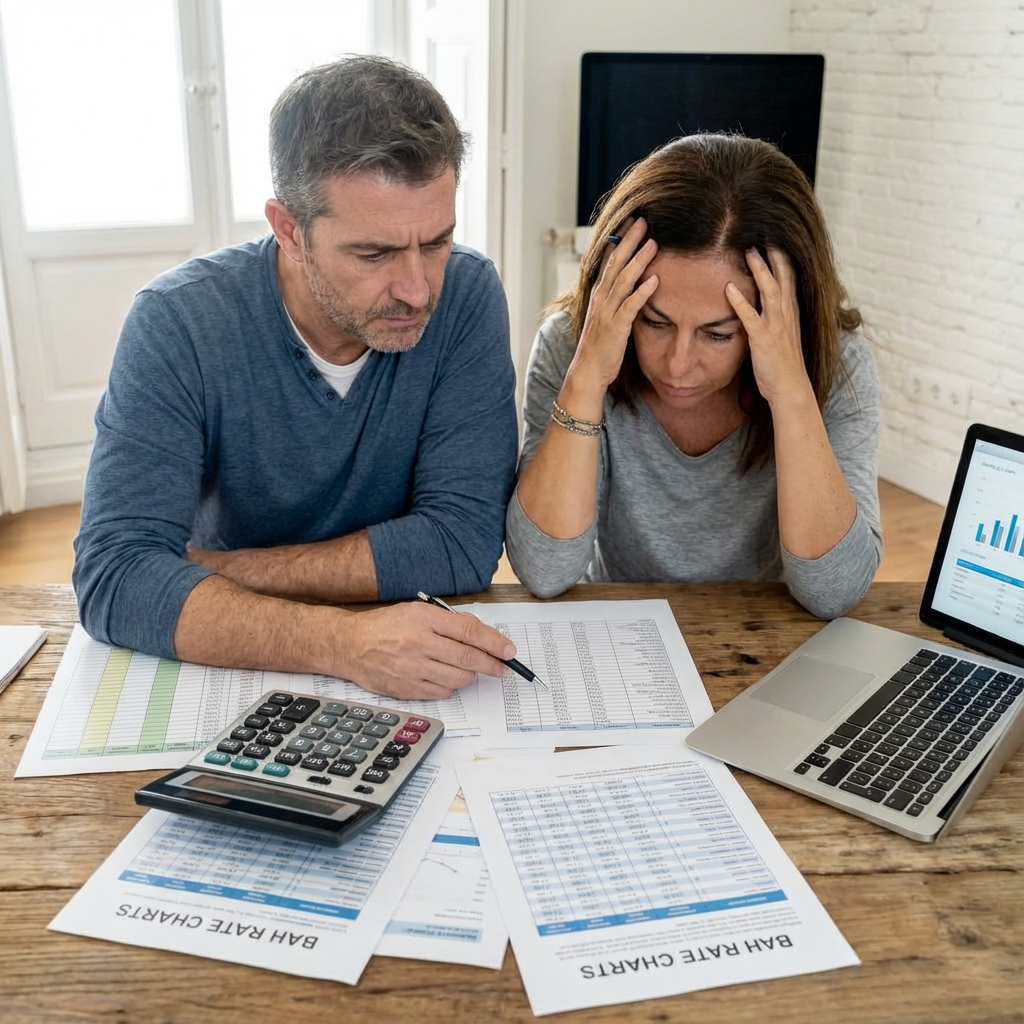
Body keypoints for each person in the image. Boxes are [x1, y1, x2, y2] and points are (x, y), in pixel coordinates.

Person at [73, 56, 520, 699]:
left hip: (360, 641)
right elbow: (115, 577)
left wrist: (213, 574)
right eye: (375, 253)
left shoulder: (470, 295)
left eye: (438, 241)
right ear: (289, 229)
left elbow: (462, 543)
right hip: (234, 662)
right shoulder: (178, 322)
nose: (419, 289)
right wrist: (339, 643)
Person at [506, 133, 881, 617]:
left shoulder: (838, 362)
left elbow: (835, 592)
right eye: (654, 322)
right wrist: (585, 381)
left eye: (718, 334)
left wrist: (790, 391)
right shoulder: (571, 344)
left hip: (772, 638)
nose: (678, 364)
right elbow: (544, 573)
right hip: (622, 634)